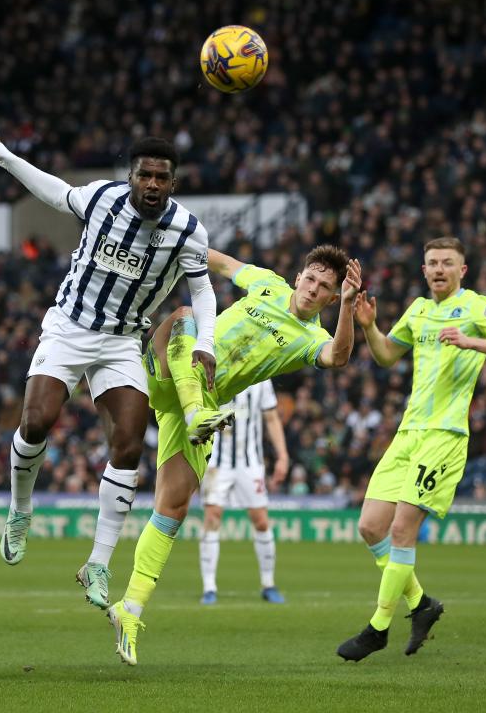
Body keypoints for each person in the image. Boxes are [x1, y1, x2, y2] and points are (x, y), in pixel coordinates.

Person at [0, 134, 219, 610]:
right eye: (144, 175)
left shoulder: (189, 232)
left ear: (174, 183)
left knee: (129, 441)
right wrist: (4, 156)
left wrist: (205, 343)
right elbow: (52, 191)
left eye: (161, 178)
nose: (152, 184)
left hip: (124, 340)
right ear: (131, 176)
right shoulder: (102, 198)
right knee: (35, 422)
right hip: (69, 327)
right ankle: (20, 510)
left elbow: (203, 292)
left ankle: (99, 562)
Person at [107, 244, 362, 665]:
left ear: (332, 299)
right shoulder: (265, 283)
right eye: (311, 279)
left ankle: (129, 610)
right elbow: (219, 261)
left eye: (325, 288)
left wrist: (350, 309)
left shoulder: (311, 338)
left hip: (206, 404)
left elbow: (339, 356)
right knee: (186, 316)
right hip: (170, 370)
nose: (313, 289)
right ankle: (193, 413)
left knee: (171, 508)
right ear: (298, 277)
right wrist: (173, 236)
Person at [337, 237, 486, 661]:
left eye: (447, 263)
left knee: (403, 530)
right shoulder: (418, 310)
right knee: (370, 526)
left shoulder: (478, 307)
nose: (439, 269)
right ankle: (422, 605)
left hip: (444, 436)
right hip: (408, 433)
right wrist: (369, 326)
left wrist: (472, 342)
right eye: (432, 263)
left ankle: (378, 627)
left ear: (463, 270)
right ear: (423, 270)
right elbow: (387, 355)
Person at [199, 379, 289, 605]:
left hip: (251, 463)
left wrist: (283, 456)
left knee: (260, 520)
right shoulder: (215, 370)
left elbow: (271, 417)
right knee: (211, 517)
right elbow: (199, 416)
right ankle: (209, 587)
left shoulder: (262, 377)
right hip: (216, 462)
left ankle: (268, 584)